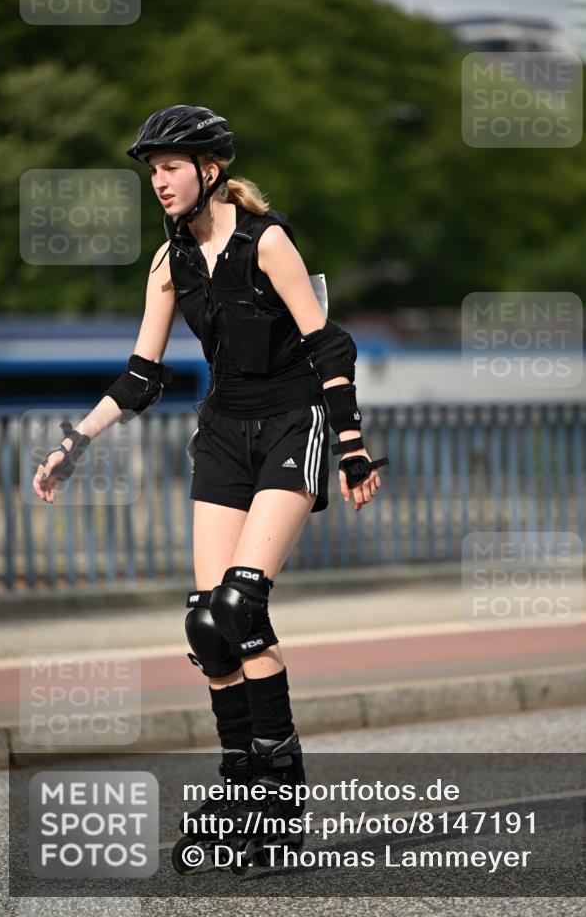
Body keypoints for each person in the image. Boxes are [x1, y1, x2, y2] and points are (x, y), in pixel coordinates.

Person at [32, 104, 387, 863]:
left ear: (210, 170)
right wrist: (75, 443)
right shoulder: (169, 264)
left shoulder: (268, 242)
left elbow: (328, 343)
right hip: (223, 431)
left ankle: (281, 804)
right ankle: (240, 782)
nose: (157, 180)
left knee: (241, 602)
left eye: (169, 166)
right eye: (150, 168)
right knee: (206, 625)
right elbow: (141, 373)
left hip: (294, 422)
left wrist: (351, 446)